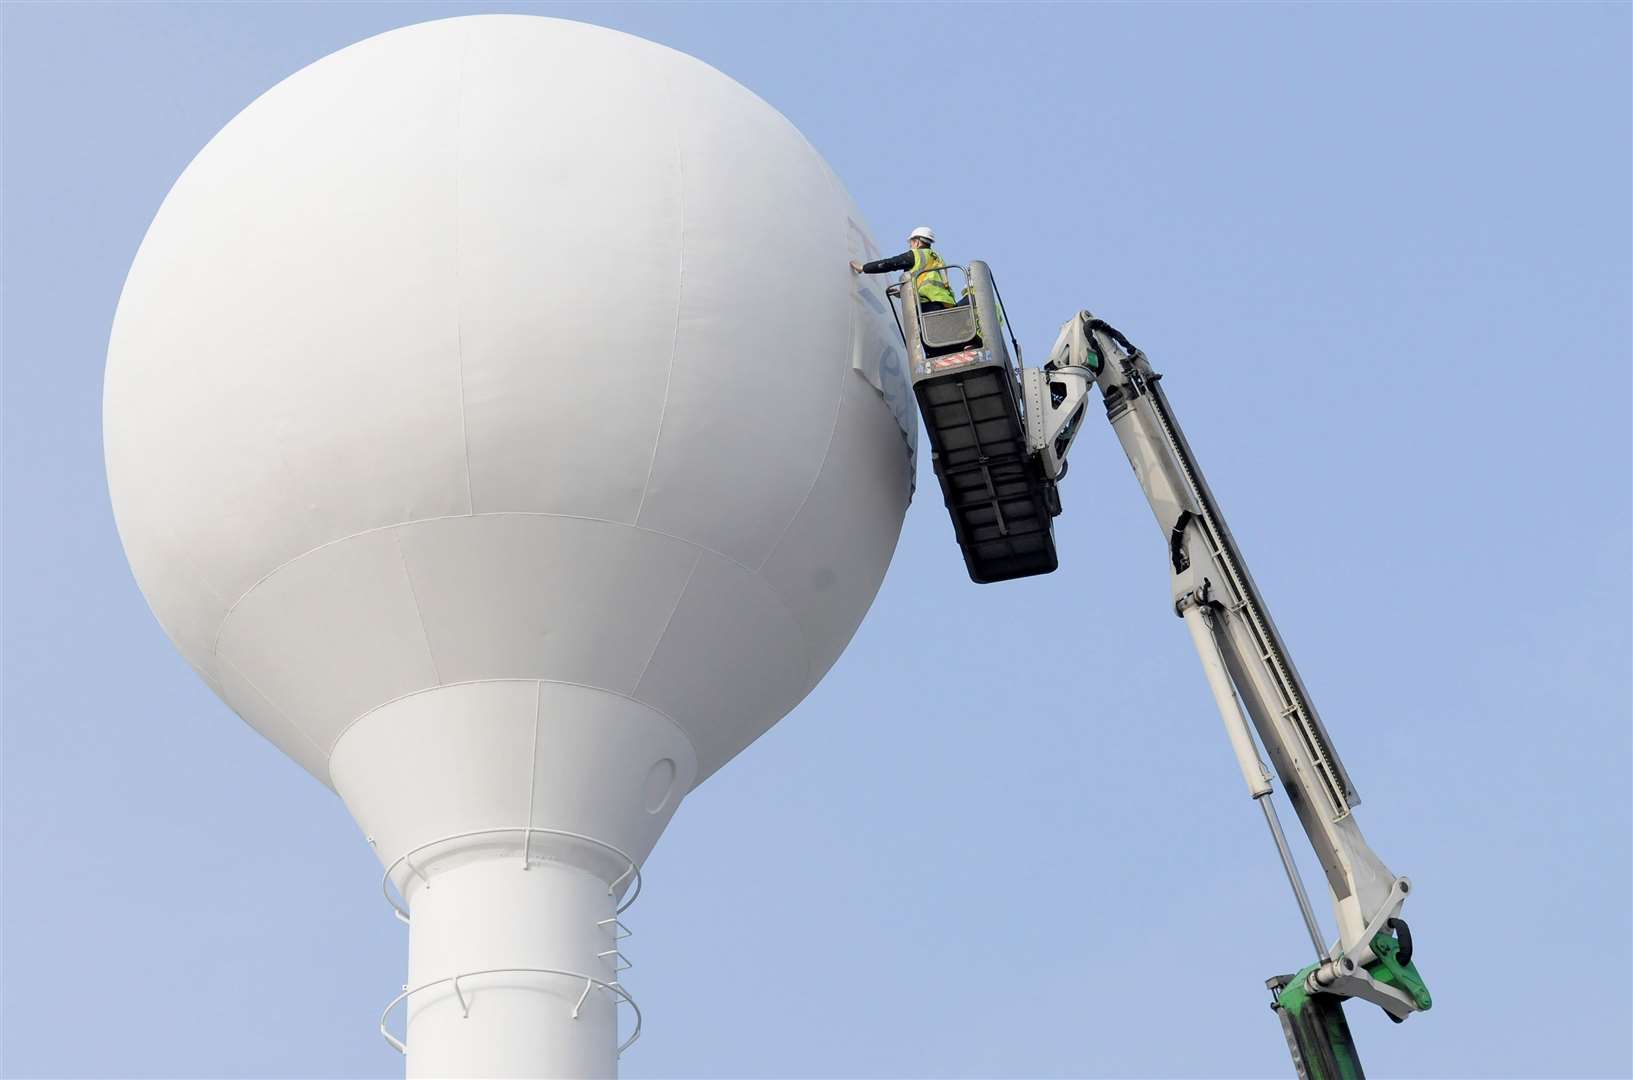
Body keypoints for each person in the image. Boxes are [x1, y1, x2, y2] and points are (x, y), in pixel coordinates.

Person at [850, 226, 958, 310]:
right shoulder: (937, 258)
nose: (910, 246)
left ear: (917, 242)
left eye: (911, 243)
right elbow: (927, 282)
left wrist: (863, 268)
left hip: (928, 305)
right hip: (947, 304)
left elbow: (889, 263)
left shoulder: (916, 255)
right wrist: (902, 294)